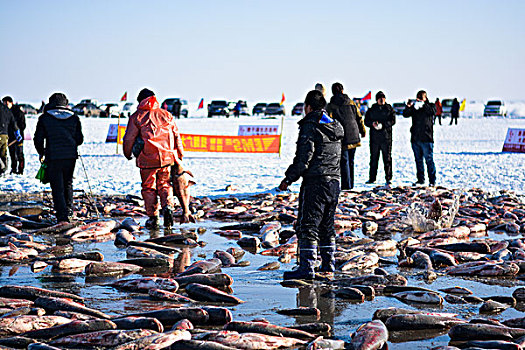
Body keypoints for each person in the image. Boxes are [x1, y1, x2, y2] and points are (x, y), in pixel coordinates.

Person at [279, 90, 344, 280]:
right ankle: (328, 266)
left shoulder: (310, 126)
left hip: (316, 181)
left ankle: (306, 268)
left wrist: (288, 179)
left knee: (309, 225)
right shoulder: (335, 125)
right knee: (327, 225)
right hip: (334, 181)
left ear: (308, 107)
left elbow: (303, 159)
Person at [123, 88, 185, 229]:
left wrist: (128, 154)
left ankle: (153, 217)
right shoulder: (166, 114)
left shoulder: (136, 117)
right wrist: (179, 155)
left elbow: (129, 139)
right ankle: (168, 207)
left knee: (149, 188)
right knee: (164, 185)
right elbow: (176, 136)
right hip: (166, 158)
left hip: (147, 159)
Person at [34, 93, 83, 223]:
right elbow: (80, 139)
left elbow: (38, 139)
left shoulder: (44, 118)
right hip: (70, 156)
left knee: (57, 186)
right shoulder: (74, 118)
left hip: (53, 156)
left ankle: (62, 217)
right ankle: (69, 211)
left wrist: (41, 152)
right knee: (68, 183)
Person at [326, 82, 366, 190]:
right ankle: (350, 184)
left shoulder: (331, 105)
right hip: (354, 134)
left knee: (344, 162)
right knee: (351, 161)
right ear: (342, 90)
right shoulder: (351, 102)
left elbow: (328, 121)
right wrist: (363, 130)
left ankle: (346, 186)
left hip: (342, 136)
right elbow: (359, 117)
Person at [403, 90, 437, 186]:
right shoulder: (415, 107)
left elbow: (433, 111)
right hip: (415, 138)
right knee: (418, 160)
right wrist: (408, 106)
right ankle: (420, 179)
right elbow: (405, 114)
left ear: (425, 98)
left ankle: (432, 180)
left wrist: (423, 105)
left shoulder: (430, 105)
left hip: (427, 138)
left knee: (429, 160)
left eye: (421, 98)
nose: (419, 100)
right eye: (418, 98)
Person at [364, 91, 396, 185]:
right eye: (379, 98)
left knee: (387, 159)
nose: (381, 100)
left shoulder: (389, 108)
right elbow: (366, 121)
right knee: (374, 159)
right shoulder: (372, 109)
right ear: (377, 99)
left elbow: (393, 120)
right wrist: (372, 124)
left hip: (386, 138)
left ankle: (388, 178)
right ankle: (372, 178)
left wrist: (384, 125)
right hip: (374, 138)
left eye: (383, 98)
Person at [2, 97, 26, 174]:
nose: (5, 104)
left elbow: (22, 125)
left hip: (18, 137)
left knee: (20, 154)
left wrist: (17, 131)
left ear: (11, 103)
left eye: (6, 103)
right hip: (10, 137)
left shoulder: (19, 112)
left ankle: (21, 169)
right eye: (4, 103)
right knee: (12, 154)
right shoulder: (6, 112)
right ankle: (14, 168)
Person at [0, 102, 20, 176]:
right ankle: (3, 169)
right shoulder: (6, 109)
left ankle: (2, 168)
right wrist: (17, 131)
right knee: (3, 153)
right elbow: (13, 121)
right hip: (4, 135)